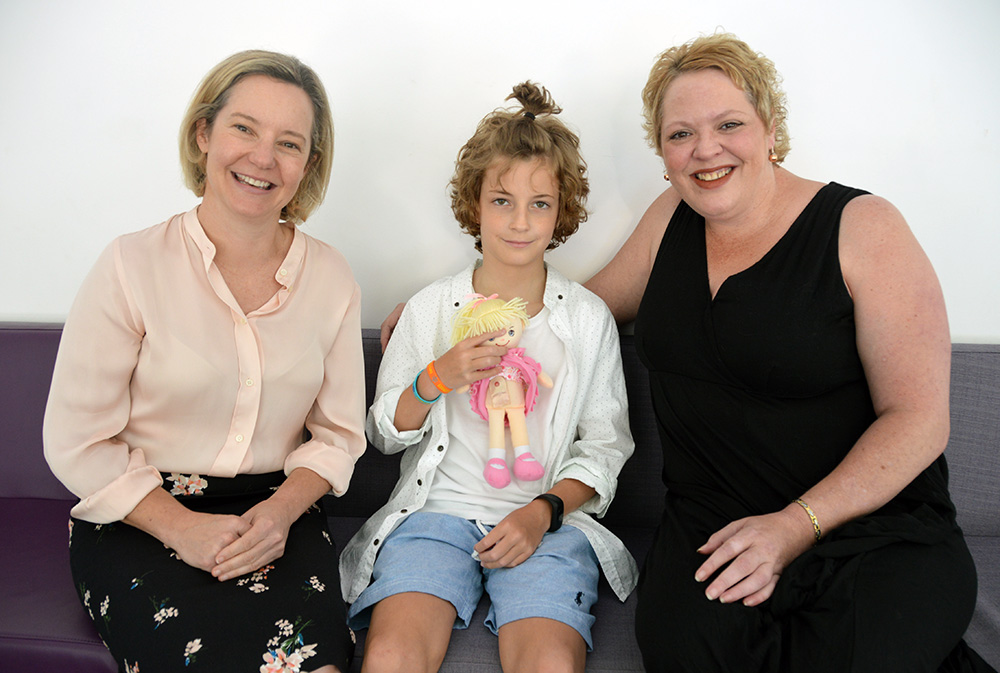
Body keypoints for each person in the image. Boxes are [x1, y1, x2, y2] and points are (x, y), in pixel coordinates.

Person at [581, 33, 995, 672]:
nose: (706, 149)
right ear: (662, 154)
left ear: (771, 129)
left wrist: (794, 525)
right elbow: (578, 315)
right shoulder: (671, 219)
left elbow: (919, 419)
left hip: (872, 532)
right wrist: (455, 313)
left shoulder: (864, 227)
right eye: (680, 134)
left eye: (729, 124)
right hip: (714, 533)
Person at [43, 50, 363, 673]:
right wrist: (180, 528)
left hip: (277, 514)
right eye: (244, 128)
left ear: (308, 166)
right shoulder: (130, 266)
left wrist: (278, 513)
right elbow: (77, 440)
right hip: (138, 516)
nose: (263, 157)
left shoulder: (332, 277)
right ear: (203, 134)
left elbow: (339, 436)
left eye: (289, 143)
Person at [341, 82, 636, 673]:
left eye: (540, 203)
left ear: (562, 211)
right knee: (393, 656)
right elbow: (382, 433)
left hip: (544, 524)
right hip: (434, 518)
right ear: (474, 204)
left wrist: (542, 512)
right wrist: (435, 378)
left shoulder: (586, 318)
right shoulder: (430, 309)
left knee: (550, 663)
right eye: (502, 201)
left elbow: (606, 445)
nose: (520, 222)